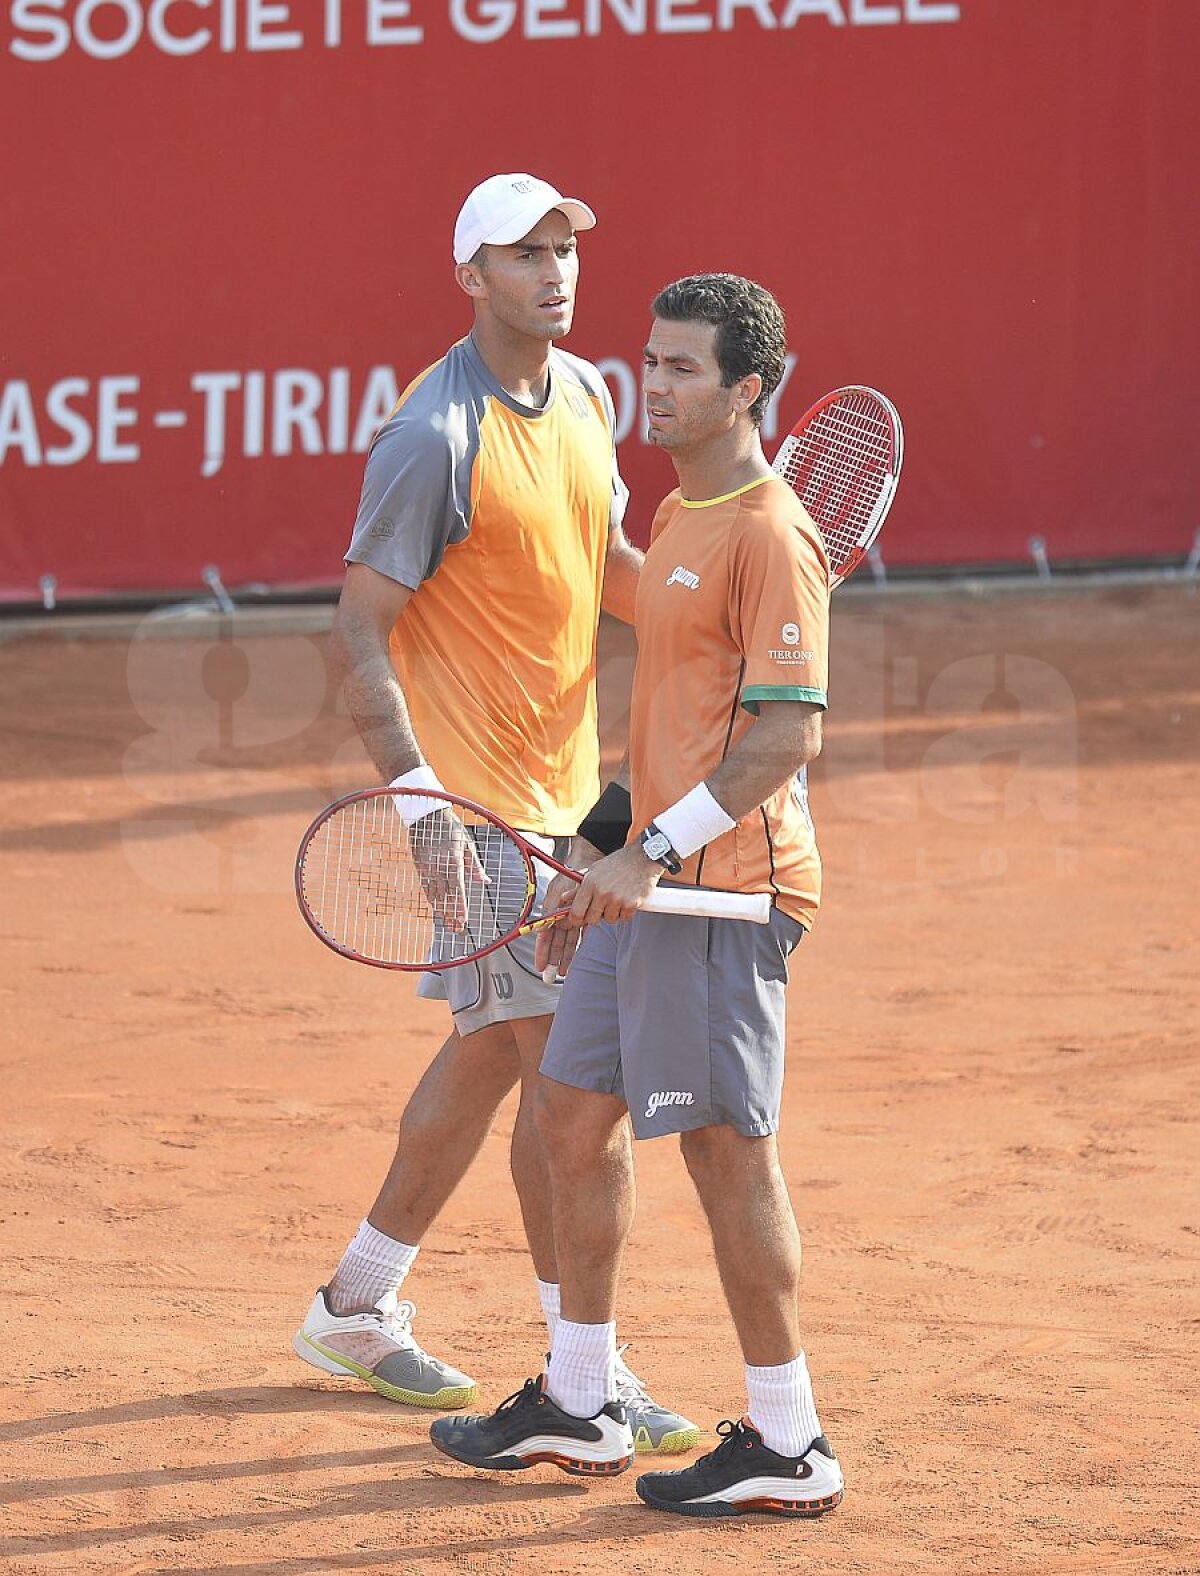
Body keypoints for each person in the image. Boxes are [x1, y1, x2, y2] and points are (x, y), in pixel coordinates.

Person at [292, 174, 698, 1456]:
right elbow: (361, 625)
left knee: (493, 1057)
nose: (557, 270)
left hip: (569, 809)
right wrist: (419, 809)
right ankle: (588, 1373)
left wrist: (722, 607)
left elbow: (611, 568)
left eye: (566, 248)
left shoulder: (581, 394)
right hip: (473, 812)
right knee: (569, 1089)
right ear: (470, 275)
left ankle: (354, 1305)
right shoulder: (432, 434)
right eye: (526, 253)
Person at [430, 273, 845, 1519]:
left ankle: (789, 1439)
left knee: (727, 1156)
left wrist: (650, 857)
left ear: (746, 389)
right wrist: (596, 851)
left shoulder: (772, 533)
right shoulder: (678, 516)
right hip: (648, 883)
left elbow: (782, 742)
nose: (650, 386)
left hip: (723, 900)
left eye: (680, 369)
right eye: (649, 363)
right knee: (570, 1115)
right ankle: (581, 1397)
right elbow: (670, 723)